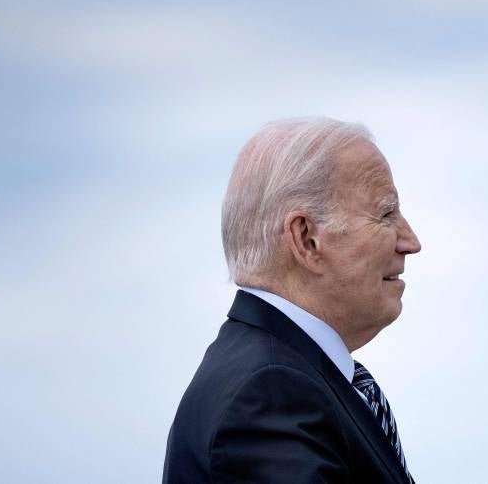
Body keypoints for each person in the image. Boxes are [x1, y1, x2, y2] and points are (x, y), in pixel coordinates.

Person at [163, 117, 422, 483]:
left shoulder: (281, 374)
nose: (410, 241)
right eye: (385, 214)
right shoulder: (270, 393)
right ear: (306, 239)